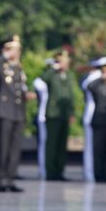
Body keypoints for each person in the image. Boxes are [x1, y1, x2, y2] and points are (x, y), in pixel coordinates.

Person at [0, 35, 30, 192]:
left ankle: (11, 178)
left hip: (18, 111)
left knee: (14, 148)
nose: (16, 53)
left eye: (18, 49)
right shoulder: (1, 65)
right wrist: (3, 55)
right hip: (4, 111)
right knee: (3, 147)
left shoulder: (17, 67)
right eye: (13, 49)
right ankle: (1, 180)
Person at [33, 50, 76, 181]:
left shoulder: (68, 76)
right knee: (51, 144)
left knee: (62, 145)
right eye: (62, 61)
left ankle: (59, 171)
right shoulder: (52, 75)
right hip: (52, 114)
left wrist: (71, 113)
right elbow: (42, 80)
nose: (65, 64)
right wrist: (54, 68)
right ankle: (50, 171)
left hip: (64, 115)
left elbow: (70, 96)